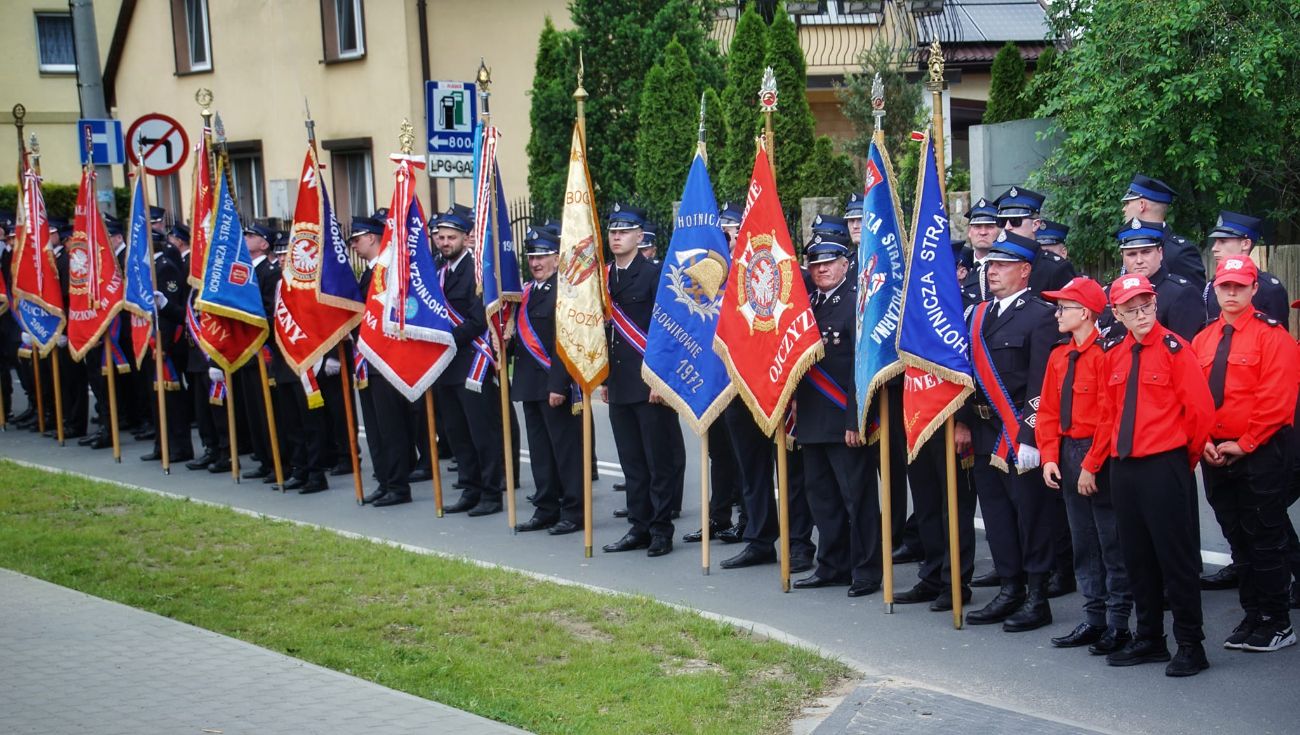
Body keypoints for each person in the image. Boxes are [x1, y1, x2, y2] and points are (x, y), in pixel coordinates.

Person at [1096, 274, 1213, 676]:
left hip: (1165, 465)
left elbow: (1199, 414)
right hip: (1124, 467)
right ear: (1117, 314)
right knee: (1137, 558)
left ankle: (1190, 643)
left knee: (1176, 560)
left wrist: (1182, 461)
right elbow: (1109, 414)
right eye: (1132, 309)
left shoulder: (1175, 350)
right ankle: (1149, 638)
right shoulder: (1114, 353)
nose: (1142, 314)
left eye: (1146, 305)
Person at [1192, 255, 1298, 652]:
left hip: (1260, 452)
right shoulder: (1203, 339)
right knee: (1237, 539)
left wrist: (1246, 442)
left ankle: (1277, 621)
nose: (1232, 292)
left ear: (1254, 289)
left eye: (1240, 286)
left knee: (1265, 537)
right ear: (1215, 289)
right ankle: (1254, 615)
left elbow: (1277, 399)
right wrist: (1202, 439)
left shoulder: (1274, 337)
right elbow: (1194, 397)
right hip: (1215, 454)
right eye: (1225, 285)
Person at [957, 231, 1060, 631]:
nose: (993, 271)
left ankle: (1037, 596)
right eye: (991, 265)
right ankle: (1010, 587)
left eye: (1002, 265)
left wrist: (1032, 436)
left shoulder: (1039, 316)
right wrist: (964, 420)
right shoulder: (979, 314)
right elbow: (967, 374)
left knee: (1030, 516)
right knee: (997, 515)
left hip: (1018, 435)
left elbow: (1040, 385)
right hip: (984, 432)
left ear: (1025, 270)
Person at [1036, 276, 1133, 655]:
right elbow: (1046, 410)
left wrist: (1092, 463)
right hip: (1068, 451)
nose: (1058, 314)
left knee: (1111, 542)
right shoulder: (1060, 355)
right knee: (1083, 542)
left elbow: (1111, 415)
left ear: (1087, 313)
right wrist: (1048, 456)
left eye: (1065, 308)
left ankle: (1119, 622)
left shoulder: (1106, 354)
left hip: (1099, 453)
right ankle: (1093, 618)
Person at [790, 232, 881, 598]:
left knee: (856, 498)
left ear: (846, 264)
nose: (821, 269)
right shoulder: (806, 304)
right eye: (815, 263)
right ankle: (832, 564)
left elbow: (861, 367)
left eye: (829, 262)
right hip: (812, 417)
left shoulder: (857, 305)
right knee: (821, 497)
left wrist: (855, 420)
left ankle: (866, 570)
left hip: (845, 419)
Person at [601, 203, 684, 558]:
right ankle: (638, 525)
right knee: (631, 461)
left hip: (650, 383)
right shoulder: (604, 277)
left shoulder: (655, 274)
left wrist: (660, 381)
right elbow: (605, 333)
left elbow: (668, 331)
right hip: (619, 382)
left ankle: (661, 529)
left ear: (640, 236)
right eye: (613, 231)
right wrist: (603, 378)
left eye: (624, 231)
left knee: (658, 461)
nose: (616, 237)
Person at [511, 228, 584, 535]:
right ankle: (546, 507)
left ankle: (574, 510)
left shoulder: (565, 291)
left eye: (542, 256)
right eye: (531, 257)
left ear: (557, 258)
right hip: (529, 383)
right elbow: (523, 340)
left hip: (554, 384)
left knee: (565, 451)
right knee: (540, 451)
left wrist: (558, 383)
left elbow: (566, 342)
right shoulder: (526, 292)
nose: (536, 262)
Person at [434, 204, 506, 517]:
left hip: (472, 360)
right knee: (457, 432)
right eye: (440, 237)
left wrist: (446, 338)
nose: (445, 242)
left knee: (482, 433)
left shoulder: (477, 269)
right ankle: (470, 488)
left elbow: (478, 320)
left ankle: (491, 493)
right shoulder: (436, 270)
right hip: (445, 365)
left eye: (451, 237)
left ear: (465, 237)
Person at [1103, 219, 1204, 342]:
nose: (1139, 260)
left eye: (1146, 252)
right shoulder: (1110, 293)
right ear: (1122, 257)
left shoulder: (1181, 293)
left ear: (1160, 253)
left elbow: (1185, 348)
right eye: (1132, 254)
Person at [1119, 174, 1205, 291]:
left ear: (1142, 205)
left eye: (1127, 203)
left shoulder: (1179, 252)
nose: (1124, 209)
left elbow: (1194, 302)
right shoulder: (1129, 243)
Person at [1202, 211, 1288, 323]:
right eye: (1215, 241)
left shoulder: (1269, 289)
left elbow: (1278, 337)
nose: (1214, 248)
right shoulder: (1212, 285)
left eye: (1222, 241)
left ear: (1246, 244)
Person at [960, 196, 999, 307]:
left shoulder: (1005, 266)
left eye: (990, 226)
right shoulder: (959, 263)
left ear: (999, 231)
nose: (983, 232)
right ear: (969, 232)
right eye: (977, 227)